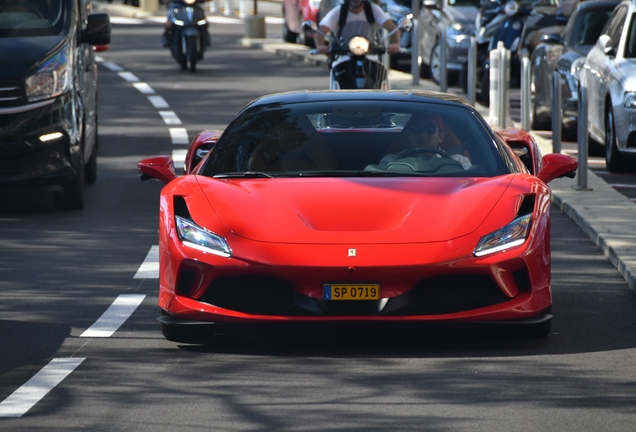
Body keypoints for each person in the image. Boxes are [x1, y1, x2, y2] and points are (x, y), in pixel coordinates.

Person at [313, 0, 401, 68]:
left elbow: (394, 29)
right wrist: (320, 45)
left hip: (369, 56)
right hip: (343, 57)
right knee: (336, 68)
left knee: (380, 72)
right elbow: (320, 32)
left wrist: (395, 44)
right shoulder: (339, 11)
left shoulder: (372, 10)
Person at [379, 114, 472, 169]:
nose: (423, 134)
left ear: (441, 136)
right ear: (408, 135)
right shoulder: (390, 162)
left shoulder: (459, 162)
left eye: (430, 129)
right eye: (417, 129)